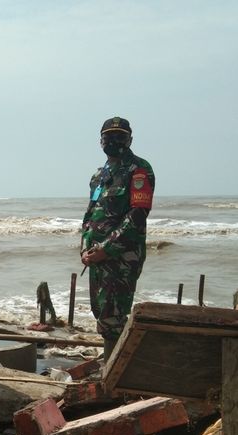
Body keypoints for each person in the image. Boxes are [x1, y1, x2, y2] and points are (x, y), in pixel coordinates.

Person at [81, 117, 155, 361]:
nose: (113, 141)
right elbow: (91, 213)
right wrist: (85, 247)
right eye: (109, 136)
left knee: (113, 315)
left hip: (122, 256)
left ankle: (114, 376)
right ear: (100, 141)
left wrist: (107, 249)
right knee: (100, 311)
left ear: (130, 139)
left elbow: (137, 215)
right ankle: (110, 366)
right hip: (96, 256)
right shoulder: (99, 175)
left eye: (120, 136)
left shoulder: (139, 170)